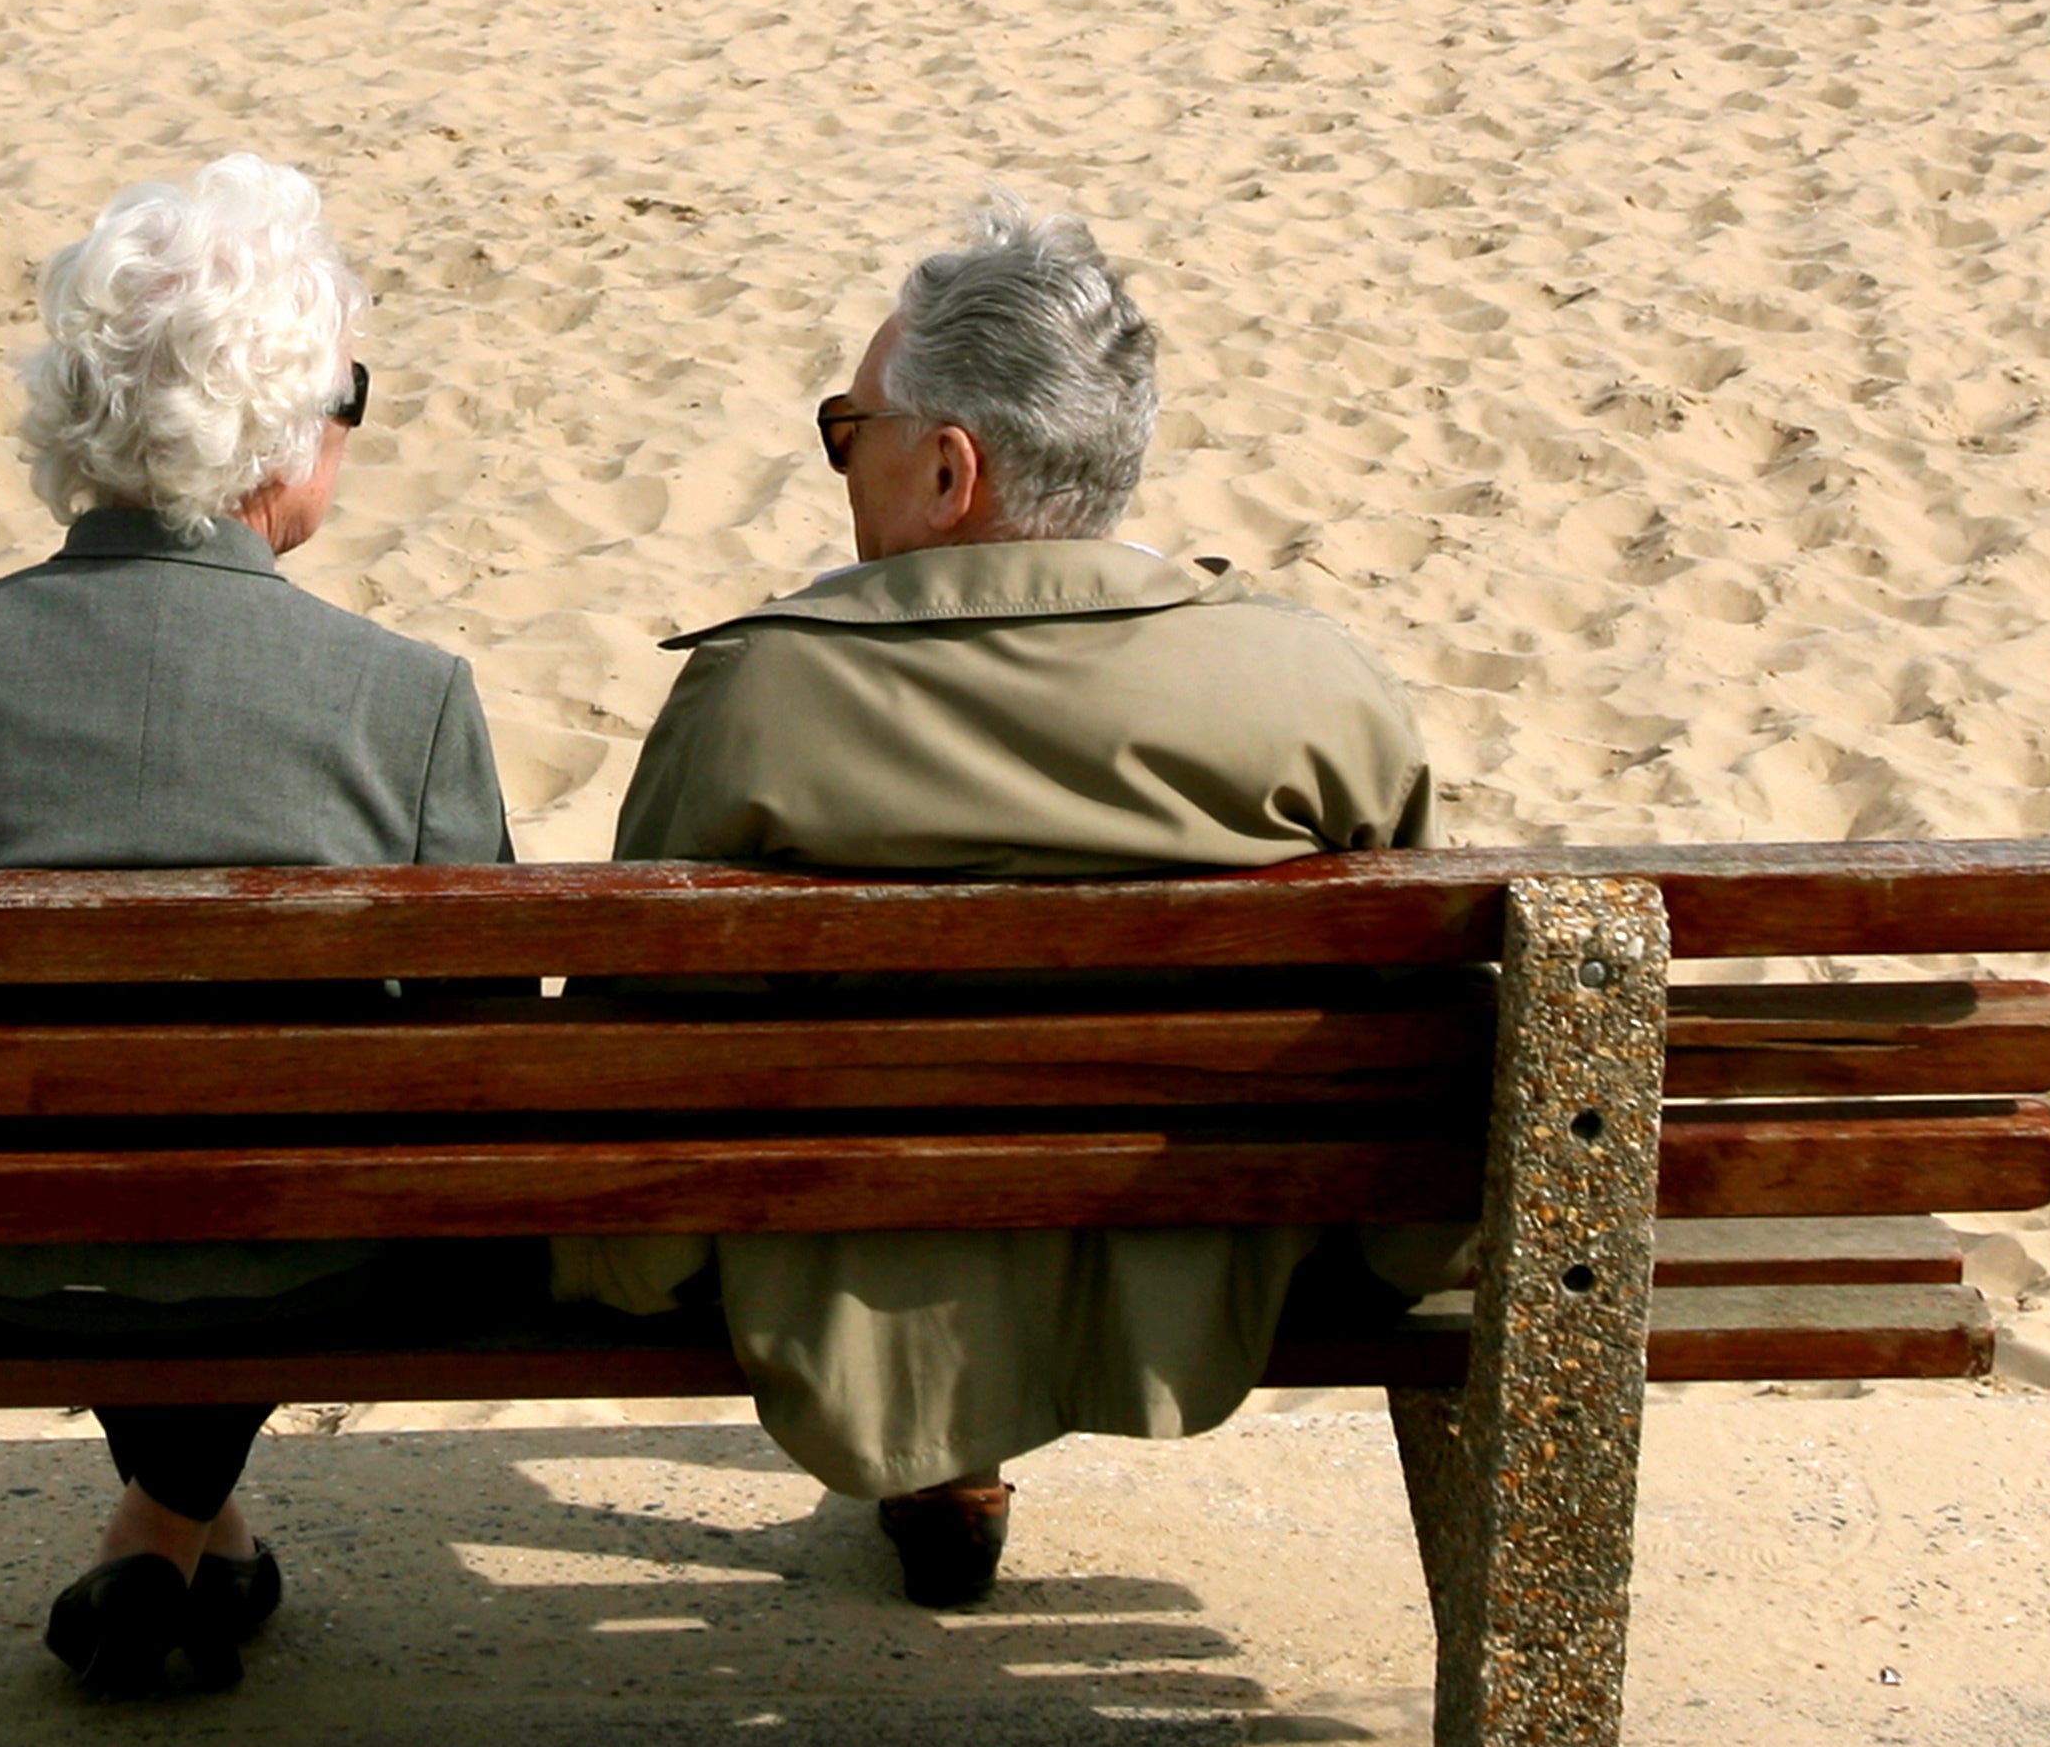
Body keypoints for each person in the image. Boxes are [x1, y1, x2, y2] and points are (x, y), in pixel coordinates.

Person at [556, 198, 1438, 1609]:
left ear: (949, 473)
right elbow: (1415, 1027)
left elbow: (636, 1051)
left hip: (839, 1290)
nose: (842, 464)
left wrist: (622, 1262)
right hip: (1206, 1271)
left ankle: (939, 1436)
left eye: (851, 431)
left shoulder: (762, 697)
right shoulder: (1312, 687)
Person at [0, 153, 511, 1692]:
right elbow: (481, 1062)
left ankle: (171, 1525)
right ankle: (175, 1518)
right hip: (312, 1263)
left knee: (135, 1162)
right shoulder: (410, 697)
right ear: (282, 433)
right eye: (346, 399)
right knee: (276, 1178)